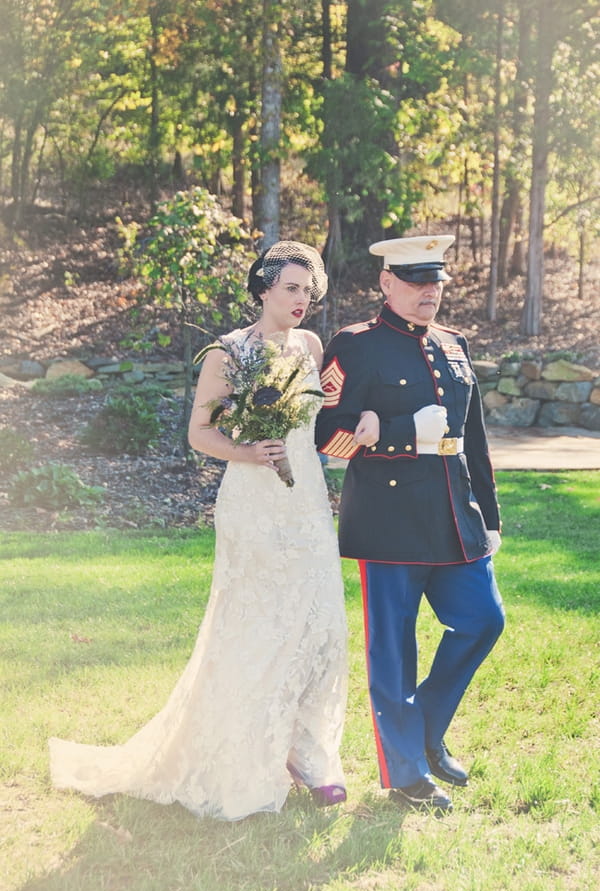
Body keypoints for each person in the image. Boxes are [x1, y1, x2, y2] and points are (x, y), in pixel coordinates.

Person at [49, 241, 349, 821]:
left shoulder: (310, 346)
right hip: (254, 503)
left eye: (308, 292)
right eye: (290, 288)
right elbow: (198, 434)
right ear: (262, 289)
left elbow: (320, 420)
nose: (301, 300)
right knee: (257, 627)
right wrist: (248, 451)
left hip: (307, 502)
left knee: (317, 628)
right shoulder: (227, 353)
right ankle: (249, 761)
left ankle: (308, 754)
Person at [315, 234, 505, 813]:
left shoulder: (455, 344)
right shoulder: (354, 345)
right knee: (393, 651)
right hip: (389, 520)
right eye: (417, 282)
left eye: (436, 282)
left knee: (482, 621)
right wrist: (401, 434)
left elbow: (472, 437)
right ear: (386, 284)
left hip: (454, 516)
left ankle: (422, 730)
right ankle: (405, 773)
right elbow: (327, 438)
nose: (429, 292)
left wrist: (489, 517)